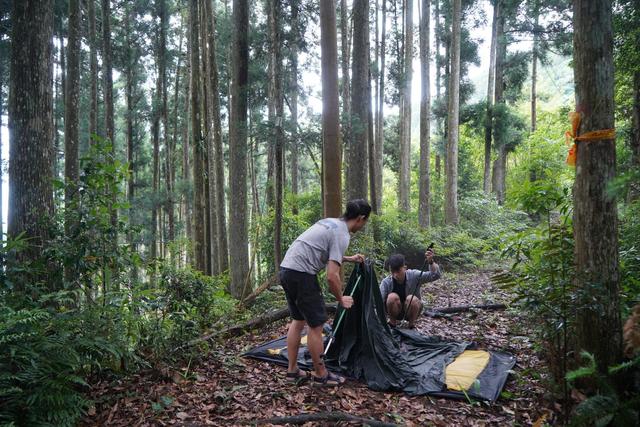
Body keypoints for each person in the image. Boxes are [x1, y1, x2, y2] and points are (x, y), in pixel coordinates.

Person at [279, 199, 371, 386]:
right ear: (360, 218)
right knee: (316, 326)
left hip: (287, 270)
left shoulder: (330, 223)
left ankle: (292, 371)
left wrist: (349, 258)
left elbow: (323, 251)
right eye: (365, 222)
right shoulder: (342, 234)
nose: (363, 226)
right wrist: (341, 299)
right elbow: (331, 276)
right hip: (302, 275)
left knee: (298, 321)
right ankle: (321, 375)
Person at [380, 249, 441, 328]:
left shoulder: (414, 275)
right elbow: (378, 300)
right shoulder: (386, 282)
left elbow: (435, 275)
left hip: (411, 310)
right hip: (395, 311)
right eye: (393, 271)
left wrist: (431, 262)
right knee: (392, 296)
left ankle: (411, 325)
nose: (395, 275)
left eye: (398, 271)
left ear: (405, 268)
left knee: (411, 298)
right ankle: (392, 323)